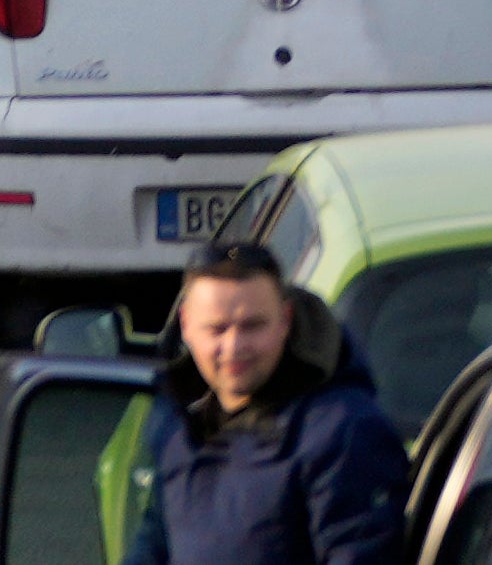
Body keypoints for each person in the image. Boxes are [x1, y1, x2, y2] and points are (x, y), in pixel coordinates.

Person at [126, 242, 400, 565]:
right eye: (217, 329)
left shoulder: (343, 432)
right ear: (186, 324)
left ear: (285, 320)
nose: (234, 346)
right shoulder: (177, 421)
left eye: (252, 326)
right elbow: (153, 544)